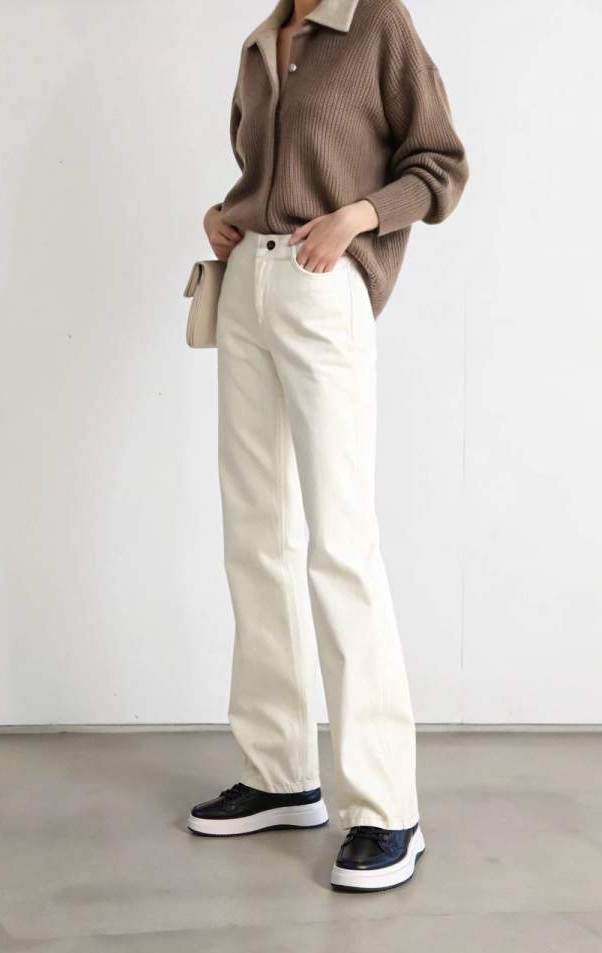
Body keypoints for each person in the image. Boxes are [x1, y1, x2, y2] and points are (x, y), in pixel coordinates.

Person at [188, 0, 468, 892]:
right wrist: (226, 215)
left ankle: (386, 808)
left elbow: (440, 163)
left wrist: (357, 219)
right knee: (255, 536)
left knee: (340, 545)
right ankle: (279, 773)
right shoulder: (262, 38)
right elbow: (265, 169)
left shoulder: (377, 22)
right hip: (245, 285)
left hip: (321, 292)